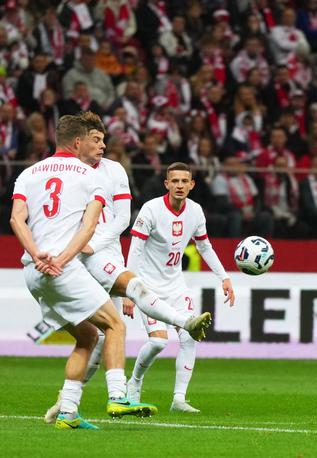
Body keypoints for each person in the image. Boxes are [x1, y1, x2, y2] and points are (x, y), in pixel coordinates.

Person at [43, 112, 213, 424]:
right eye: (97, 140)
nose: (104, 146)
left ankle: (79, 401)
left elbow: (122, 218)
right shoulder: (63, 173)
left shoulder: (114, 171)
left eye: (104, 139)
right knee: (98, 335)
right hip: (69, 259)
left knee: (120, 310)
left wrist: (93, 244)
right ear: (78, 142)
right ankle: (70, 403)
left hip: (101, 252)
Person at [10, 115, 157, 430]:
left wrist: (37, 255)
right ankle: (119, 397)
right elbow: (91, 226)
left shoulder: (28, 173)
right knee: (115, 325)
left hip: (34, 273)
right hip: (64, 269)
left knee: (88, 336)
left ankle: (68, 414)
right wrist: (62, 258)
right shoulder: (91, 176)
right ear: (78, 142)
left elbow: (16, 220)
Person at [126, 162, 236, 413]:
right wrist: (128, 290)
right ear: (166, 184)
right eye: (174, 181)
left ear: (191, 185)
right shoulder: (151, 209)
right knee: (158, 343)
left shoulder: (196, 211)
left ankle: (179, 399)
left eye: (184, 181)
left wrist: (224, 277)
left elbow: (204, 246)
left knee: (190, 337)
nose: (179, 185)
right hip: (146, 288)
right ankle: (134, 383)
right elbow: (135, 249)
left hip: (176, 286)